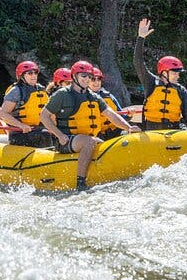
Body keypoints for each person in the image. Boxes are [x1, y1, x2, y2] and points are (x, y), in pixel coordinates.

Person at [40, 60, 141, 190]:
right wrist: (59, 135)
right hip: (66, 140)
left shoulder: (93, 96)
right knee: (90, 142)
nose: (87, 79)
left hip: (86, 139)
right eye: (83, 76)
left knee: (102, 144)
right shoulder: (62, 94)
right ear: (74, 76)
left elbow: (110, 114)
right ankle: (80, 183)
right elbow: (44, 116)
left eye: (90, 77)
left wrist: (128, 127)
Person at [134, 18, 187, 150]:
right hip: (151, 130)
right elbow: (138, 63)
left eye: (178, 72)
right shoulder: (150, 82)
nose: (177, 75)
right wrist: (141, 38)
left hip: (174, 130)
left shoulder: (181, 90)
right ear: (163, 72)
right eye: (174, 72)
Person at [0, 60, 54, 147]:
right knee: (45, 134)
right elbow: (4, 114)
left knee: (57, 134)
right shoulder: (16, 91)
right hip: (19, 133)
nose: (34, 75)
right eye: (30, 73)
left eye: (35, 73)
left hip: (38, 129)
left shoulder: (41, 90)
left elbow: (50, 113)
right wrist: (21, 125)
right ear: (21, 76)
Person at [88, 67, 126, 141]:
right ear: (87, 81)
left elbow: (122, 116)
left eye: (98, 79)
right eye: (93, 79)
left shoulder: (109, 96)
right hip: (97, 135)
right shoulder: (83, 98)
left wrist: (129, 115)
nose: (96, 82)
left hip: (115, 132)